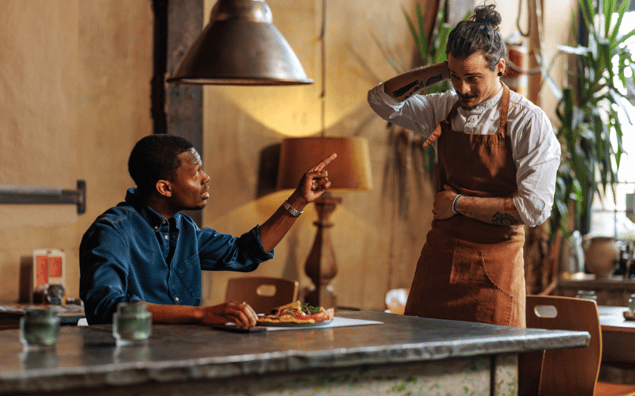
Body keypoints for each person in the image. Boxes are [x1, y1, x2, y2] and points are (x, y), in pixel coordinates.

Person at [367, 4, 560, 327]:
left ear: (499, 67)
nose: (463, 89)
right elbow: (381, 100)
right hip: (440, 261)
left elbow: (533, 209)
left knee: (494, 370)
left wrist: (457, 204)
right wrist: (444, 70)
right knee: (421, 367)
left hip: (496, 269)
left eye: (473, 78)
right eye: (455, 77)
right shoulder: (443, 107)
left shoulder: (528, 121)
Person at [80, 134, 336, 327]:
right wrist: (201, 313)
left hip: (185, 356)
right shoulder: (112, 231)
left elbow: (242, 253)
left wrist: (299, 199)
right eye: (196, 173)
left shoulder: (184, 228)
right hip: (130, 362)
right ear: (165, 188)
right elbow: (104, 307)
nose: (206, 178)